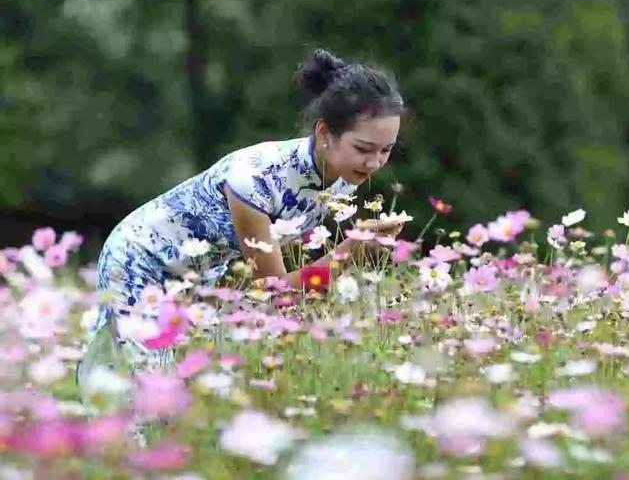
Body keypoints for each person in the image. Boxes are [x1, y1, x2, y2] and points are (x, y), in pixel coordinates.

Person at [78, 48, 406, 388]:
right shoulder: (258, 179)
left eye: (386, 150)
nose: (374, 164)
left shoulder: (340, 183)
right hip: (141, 259)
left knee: (179, 390)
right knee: (143, 393)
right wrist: (348, 254)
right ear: (325, 134)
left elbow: (253, 274)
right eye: (364, 149)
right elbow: (276, 293)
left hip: (197, 280)